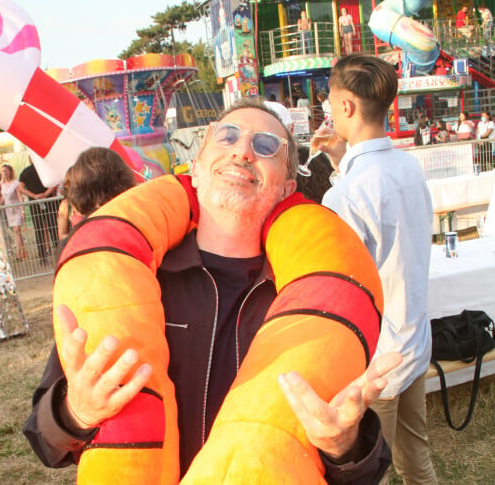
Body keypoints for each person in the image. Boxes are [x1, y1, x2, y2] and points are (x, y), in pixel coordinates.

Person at [24, 98, 398, 482]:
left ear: (287, 188)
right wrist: (76, 413)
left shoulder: (307, 301)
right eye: (227, 136)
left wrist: (343, 445)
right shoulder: (128, 283)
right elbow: (44, 438)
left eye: (267, 145)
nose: (243, 150)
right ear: (197, 170)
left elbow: (363, 468)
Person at [320, 54, 438, 484]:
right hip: (413, 340)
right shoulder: (406, 165)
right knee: (415, 458)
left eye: (330, 104)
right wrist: (340, 161)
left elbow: (344, 284)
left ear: (348, 107)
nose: (328, 112)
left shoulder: (348, 192)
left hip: (376, 359)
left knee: (373, 474)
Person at [18, 161, 59, 266]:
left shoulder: (25, 172)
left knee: (39, 230)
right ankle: (58, 254)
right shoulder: (45, 170)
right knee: (53, 228)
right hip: (47, 202)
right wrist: (45, 194)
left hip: (35, 203)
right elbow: (55, 183)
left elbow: (21, 188)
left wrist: (34, 196)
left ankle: (43, 257)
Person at [0, 163, 27, 262]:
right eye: (3, 171)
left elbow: (20, 196)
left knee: (16, 230)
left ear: (10, 172)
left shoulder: (15, 183)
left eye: (6, 171)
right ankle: (23, 251)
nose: (5, 173)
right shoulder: (2, 183)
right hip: (9, 210)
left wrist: (23, 209)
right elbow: (3, 196)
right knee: (17, 232)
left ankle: (18, 253)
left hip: (17, 208)